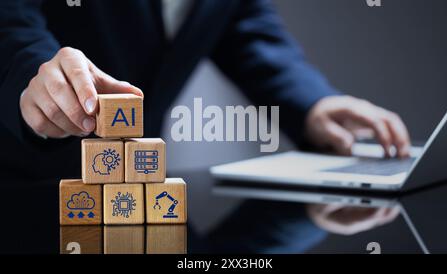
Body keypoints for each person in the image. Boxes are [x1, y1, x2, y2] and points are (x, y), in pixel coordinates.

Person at [0, 0, 410, 179]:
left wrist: (315, 105)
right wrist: (33, 79)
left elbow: (252, 35)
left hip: (137, 190)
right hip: (18, 184)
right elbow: (10, 21)